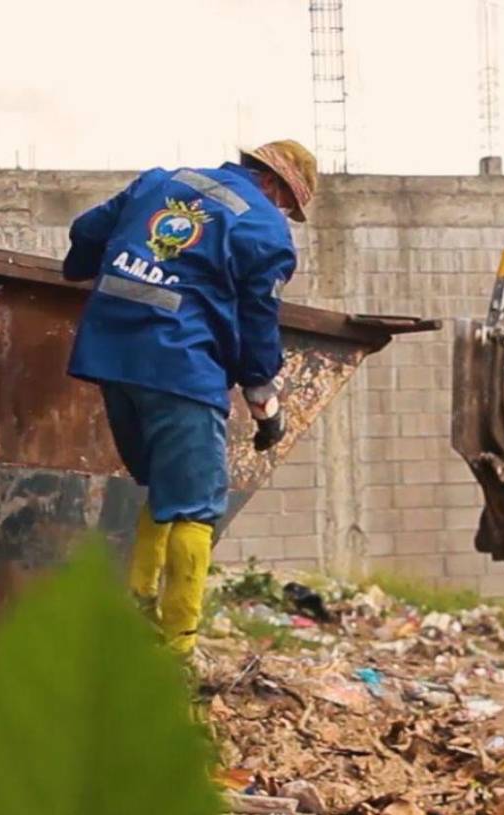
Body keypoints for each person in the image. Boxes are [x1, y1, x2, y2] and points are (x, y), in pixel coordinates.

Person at [62, 140, 317, 655]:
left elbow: (85, 233)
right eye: (288, 204)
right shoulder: (266, 229)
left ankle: (134, 612)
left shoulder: (161, 180)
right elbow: (257, 325)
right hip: (181, 368)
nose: (283, 214)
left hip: (110, 357)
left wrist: (79, 268)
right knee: (197, 507)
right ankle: (179, 648)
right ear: (275, 185)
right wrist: (262, 396)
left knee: (163, 483)